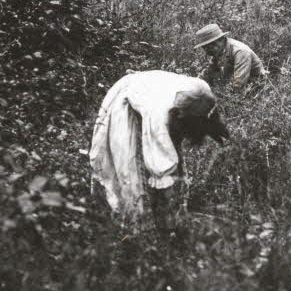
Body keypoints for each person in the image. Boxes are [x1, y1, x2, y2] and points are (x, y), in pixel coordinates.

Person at [89, 70, 229, 225]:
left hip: (153, 90)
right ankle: (140, 218)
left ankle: (176, 207)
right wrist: (168, 200)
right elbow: (160, 164)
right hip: (126, 99)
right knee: (130, 161)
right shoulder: (158, 115)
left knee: (172, 150)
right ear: (181, 115)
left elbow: (206, 121)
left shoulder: (202, 91)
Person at [194, 23, 268, 93]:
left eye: (210, 45)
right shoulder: (219, 50)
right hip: (237, 87)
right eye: (204, 47)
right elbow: (208, 71)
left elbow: (239, 84)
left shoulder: (240, 51)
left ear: (221, 39)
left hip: (256, 89)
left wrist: (223, 98)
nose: (207, 50)